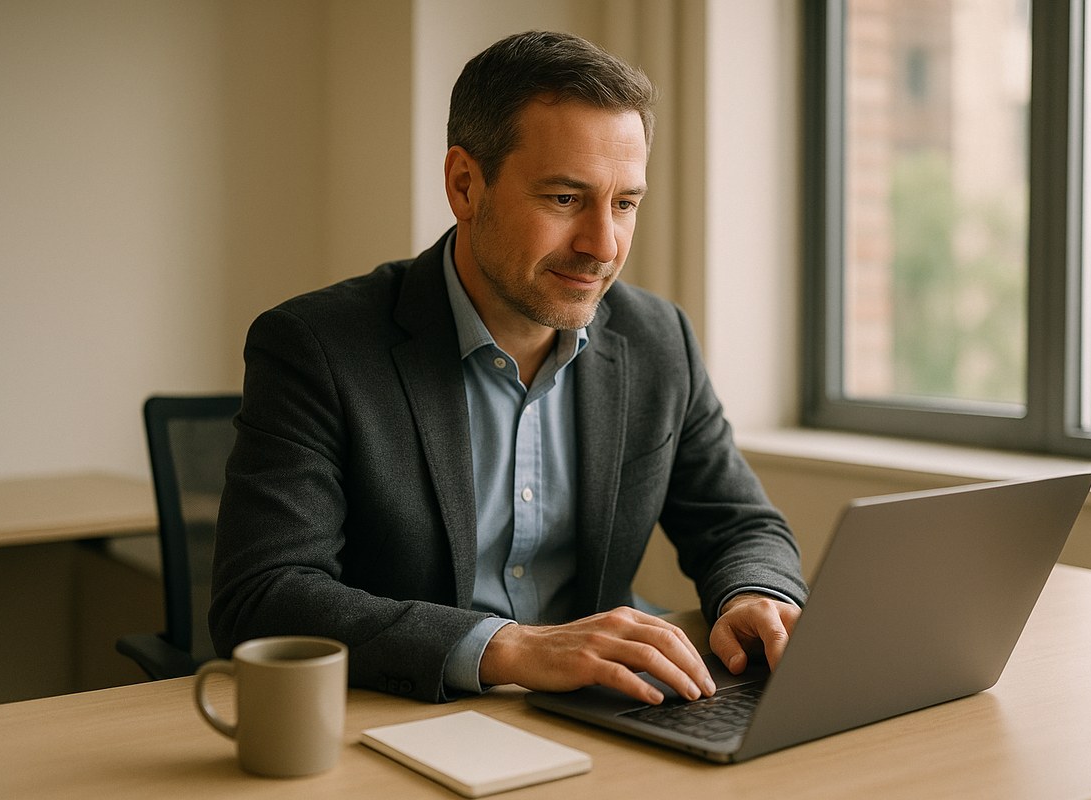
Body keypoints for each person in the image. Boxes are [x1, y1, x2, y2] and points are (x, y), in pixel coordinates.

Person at [209, 30, 807, 706]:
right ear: (465, 185)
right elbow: (263, 595)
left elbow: (739, 523)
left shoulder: (656, 338)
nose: (602, 245)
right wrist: (510, 647)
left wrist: (757, 592)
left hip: (601, 712)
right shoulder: (316, 346)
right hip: (403, 716)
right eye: (563, 199)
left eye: (625, 203)